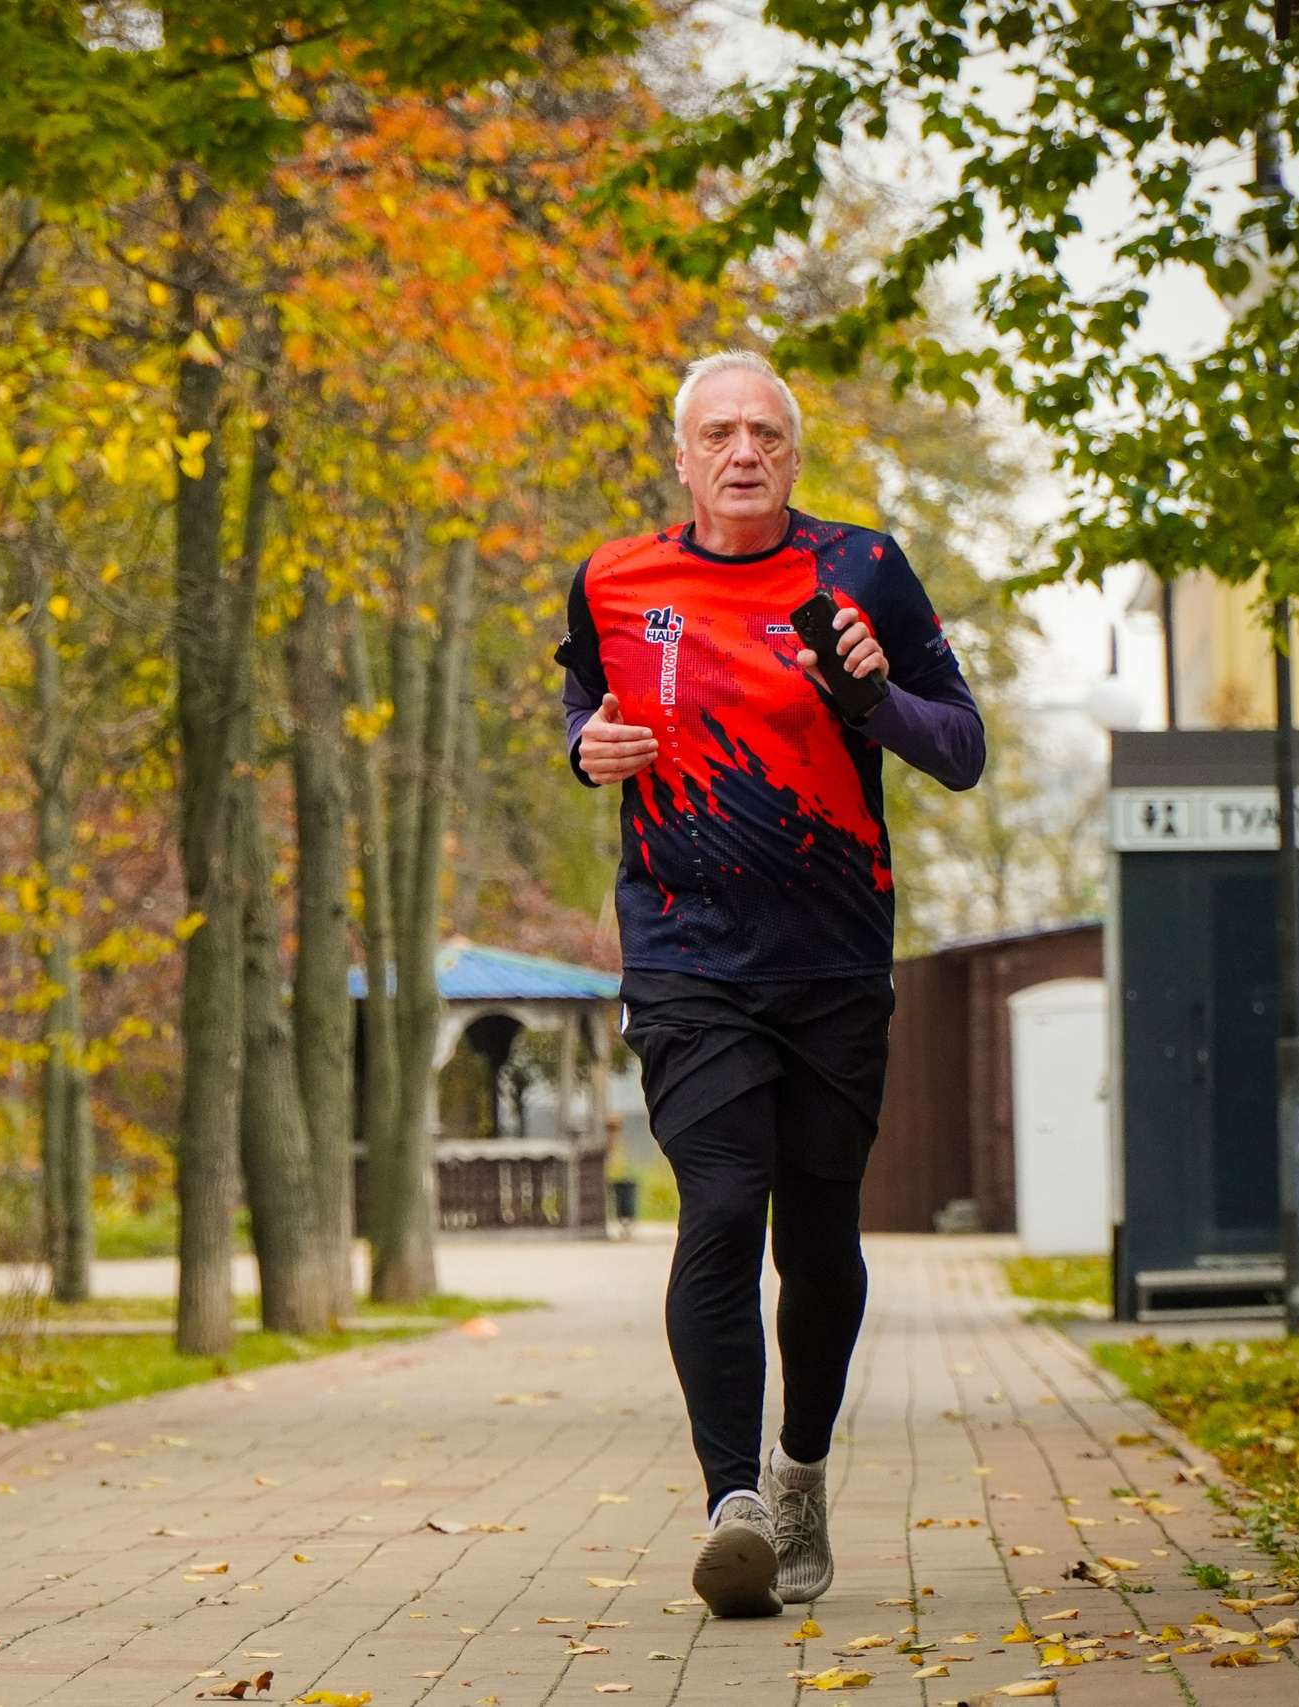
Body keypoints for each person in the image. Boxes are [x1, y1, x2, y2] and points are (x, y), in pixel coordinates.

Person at [554, 350, 984, 1618]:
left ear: (793, 456)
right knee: (721, 1209)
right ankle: (730, 1500)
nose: (743, 452)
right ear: (681, 455)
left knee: (819, 1231)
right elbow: (589, 704)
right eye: (718, 434)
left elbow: (957, 748)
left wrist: (868, 694)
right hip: (687, 953)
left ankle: (801, 1473)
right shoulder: (614, 579)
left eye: (767, 435)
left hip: (835, 954)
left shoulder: (862, 571)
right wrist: (587, 748)